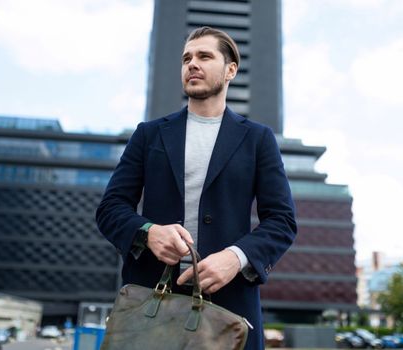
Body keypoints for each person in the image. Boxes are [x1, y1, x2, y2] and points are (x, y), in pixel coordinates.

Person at [96, 26, 297, 350]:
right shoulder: (149, 135)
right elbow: (110, 208)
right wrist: (148, 232)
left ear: (230, 69)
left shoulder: (258, 139)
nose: (192, 63)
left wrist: (236, 257)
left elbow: (282, 221)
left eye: (204, 56)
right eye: (186, 58)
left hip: (229, 309)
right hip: (150, 305)